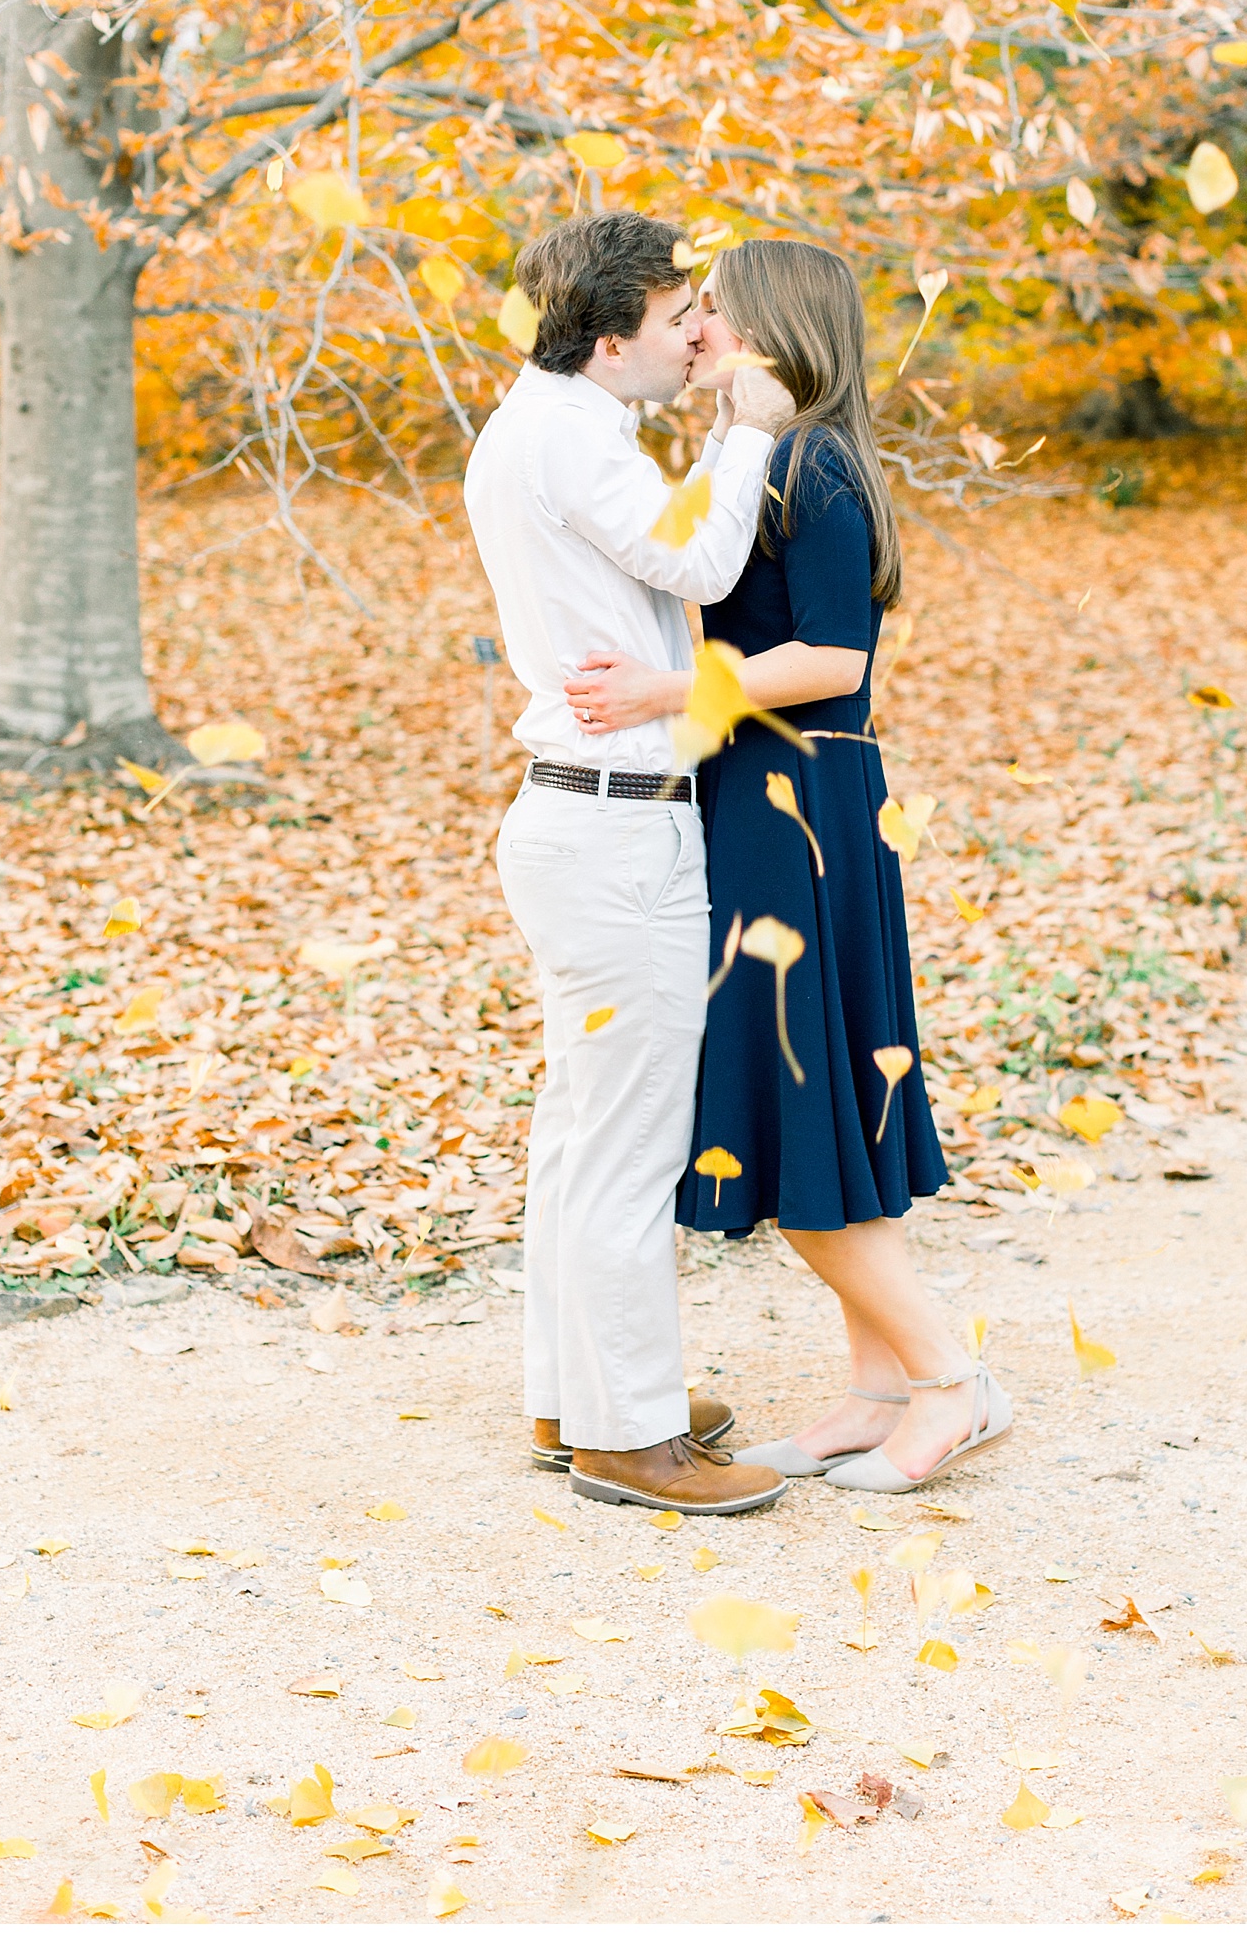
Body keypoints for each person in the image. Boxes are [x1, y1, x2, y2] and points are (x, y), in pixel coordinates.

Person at [565, 239, 1011, 1494]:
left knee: (795, 1101)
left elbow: (833, 659)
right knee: (831, 1118)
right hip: (784, 795)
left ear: (767, 325)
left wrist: (666, 687)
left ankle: (947, 1381)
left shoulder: (811, 461)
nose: (693, 325)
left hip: (791, 798)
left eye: (711, 306)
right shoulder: (770, 451)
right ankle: (874, 1389)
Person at [463, 210, 798, 1516]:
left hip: (588, 811)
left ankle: (575, 1392)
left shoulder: (549, 423)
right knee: (625, 1140)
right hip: (612, 825)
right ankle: (630, 1433)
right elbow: (705, 556)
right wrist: (751, 423)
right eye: (677, 320)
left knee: (580, 1128)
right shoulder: (574, 437)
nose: (698, 336)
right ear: (613, 340)